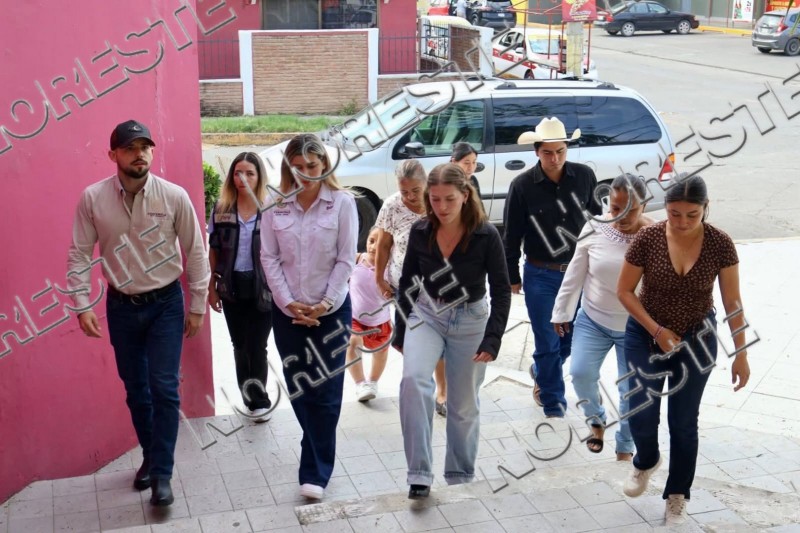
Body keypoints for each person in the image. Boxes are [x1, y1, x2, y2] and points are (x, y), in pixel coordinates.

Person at [66, 120, 210, 506]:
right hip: (121, 307)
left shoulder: (174, 196)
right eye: (130, 148)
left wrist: (197, 305)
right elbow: (79, 254)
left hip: (166, 305)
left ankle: (162, 473)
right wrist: (82, 304)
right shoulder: (93, 199)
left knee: (164, 387)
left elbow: (196, 251)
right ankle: (150, 454)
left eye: (145, 147)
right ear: (112, 154)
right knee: (136, 390)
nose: (139, 154)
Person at [617, 175, 751, 525]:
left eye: (692, 214)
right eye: (674, 213)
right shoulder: (648, 238)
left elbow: (733, 302)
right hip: (645, 333)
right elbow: (625, 291)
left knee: (684, 420)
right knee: (640, 408)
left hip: (697, 338)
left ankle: (677, 493)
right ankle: (646, 460)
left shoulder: (720, 243)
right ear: (665, 208)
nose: (682, 222)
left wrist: (741, 353)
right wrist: (657, 331)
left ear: (706, 208)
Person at [394, 163, 511, 500]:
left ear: (465, 195)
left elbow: (501, 290)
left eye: (449, 199)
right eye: (434, 199)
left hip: (470, 319)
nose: (441, 207)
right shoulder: (421, 231)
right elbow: (408, 282)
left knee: (463, 404)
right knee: (413, 382)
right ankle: (419, 474)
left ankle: (460, 476)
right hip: (427, 313)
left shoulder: (486, 235)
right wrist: (400, 331)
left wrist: (493, 337)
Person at [260, 133, 357, 501]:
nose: (305, 174)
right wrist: (288, 303)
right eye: (297, 167)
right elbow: (269, 257)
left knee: (326, 390)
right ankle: (316, 443)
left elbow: (346, 258)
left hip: (330, 311)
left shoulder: (343, 203)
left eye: (312, 166)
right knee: (301, 387)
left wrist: (324, 303)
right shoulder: (274, 203)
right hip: (288, 312)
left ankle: (315, 470)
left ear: (324, 165)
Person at [502, 117, 601, 418]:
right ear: (537, 152)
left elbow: (598, 221)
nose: (554, 158)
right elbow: (512, 234)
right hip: (540, 274)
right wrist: (512, 275)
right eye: (548, 152)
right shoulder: (521, 186)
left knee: (571, 338)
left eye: (560, 151)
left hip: (579, 273)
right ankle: (553, 403)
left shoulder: (584, 176)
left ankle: (541, 372)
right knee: (547, 339)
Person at [551, 174, 652, 461]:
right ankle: (596, 419)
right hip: (593, 319)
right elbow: (575, 272)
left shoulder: (655, 235)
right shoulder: (594, 227)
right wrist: (562, 311)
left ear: (644, 206)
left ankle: (625, 447)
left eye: (631, 210)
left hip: (635, 326)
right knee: (580, 373)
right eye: (616, 208)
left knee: (631, 391)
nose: (621, 216)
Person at [375, 160, 449, 417]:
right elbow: (383, 244)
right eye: (404, 191)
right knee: (409, 339)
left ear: (426, 183)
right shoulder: (392, 205)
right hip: (403, 286)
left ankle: (443, 390)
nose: (409, 197)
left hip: (438, 287)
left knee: (438, 339)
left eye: (415, 191)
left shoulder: (439, 202)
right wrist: (379, 277)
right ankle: (418, 386)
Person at [208, 152, 273, 422]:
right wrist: (212, 286)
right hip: (231, 285)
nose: (242, 178)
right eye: (237, 173)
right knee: (239, 345)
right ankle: (249, 398)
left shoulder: (270, 208)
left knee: (257, 345)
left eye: (249, 173)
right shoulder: (222, 207)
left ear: (259, 177)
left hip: (263, 286)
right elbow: (213, 249)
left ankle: (260, 400)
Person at [345, 226, 392, 402]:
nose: (373, 247)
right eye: (371, 241)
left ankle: (373, 382)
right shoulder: (357, 259)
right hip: (355, 318)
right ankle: (360, 383)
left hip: (381, 321)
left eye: (380, 244)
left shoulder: (390, 268)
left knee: (381, 352)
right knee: (352, 342)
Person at [450, 142, 484, 214]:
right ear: (454, 162)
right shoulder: (447, 183)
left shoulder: (473, 180)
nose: (471, 168)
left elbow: (480, 208)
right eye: (466, 163)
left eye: (474, 162)